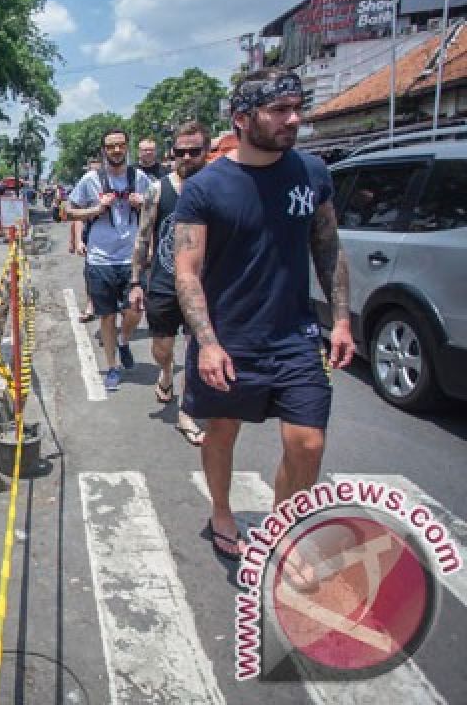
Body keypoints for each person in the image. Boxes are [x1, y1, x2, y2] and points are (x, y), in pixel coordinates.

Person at [174, 70, 353, 564]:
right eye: (278, 110)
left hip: (296, 337)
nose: (292, 119)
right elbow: (187, 272)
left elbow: (329, 248)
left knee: (308, 443)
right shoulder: (205, 188)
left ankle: (282, 527)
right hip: (229, 340)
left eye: (297, 107)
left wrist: (340, 320)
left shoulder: (313, 173)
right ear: (242, 119)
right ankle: (223, 512)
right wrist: (207, 342)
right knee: (221, 432)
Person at [129, 121, 210, 446]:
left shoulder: (215, 187)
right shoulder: (158, 190)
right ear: (171, 154)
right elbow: (143, 237)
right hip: (163, 282)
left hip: (203, 286)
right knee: (162, 348)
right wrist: (136, 281)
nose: (187, 157)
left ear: (206, 152)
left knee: (196, 348)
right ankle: (166, 373)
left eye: (194, 151)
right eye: (181, 152)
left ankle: (187, 411)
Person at [64, 129, 153, 391]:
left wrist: (143, 204)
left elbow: (157, 209)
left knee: (135, 310)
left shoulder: (139, 178)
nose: (116, 150)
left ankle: (124, 340)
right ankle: (112, 367)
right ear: (104, 150)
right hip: (100, 259)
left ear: (127, 147)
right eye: (111, 146)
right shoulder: (90, 180)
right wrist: (96, 209)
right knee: (106, 316)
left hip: (131, 257)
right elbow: (67, 211)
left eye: (121, 145)